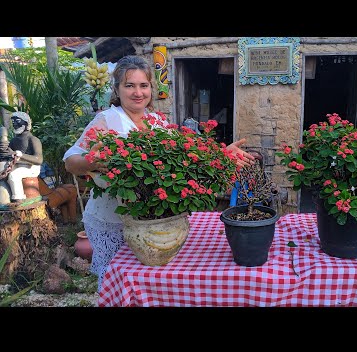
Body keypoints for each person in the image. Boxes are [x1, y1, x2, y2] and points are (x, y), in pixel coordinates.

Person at [64, 55, 255, 292]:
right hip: (112, 220)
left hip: (151, 219)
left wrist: (221, 154)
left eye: (143, 85)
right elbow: (70, 162)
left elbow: (185, 155)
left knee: (148, 282)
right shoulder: (107, 120)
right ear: (117, 89)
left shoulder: (156, 121)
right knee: (118, 282)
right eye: (129, 85)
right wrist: (92, 162)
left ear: (151, 89)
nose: (138, 92)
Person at [0, 112, 43, 202]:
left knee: (14, 175)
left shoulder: (33, 139)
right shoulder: (14, 140)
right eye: (13, 121)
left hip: (32, 167)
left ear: (26, 123)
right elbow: (9, 154)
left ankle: (18, 199)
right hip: (17, 164)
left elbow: (39, 160)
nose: (15, 123)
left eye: (18, 120)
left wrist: (21, 155)